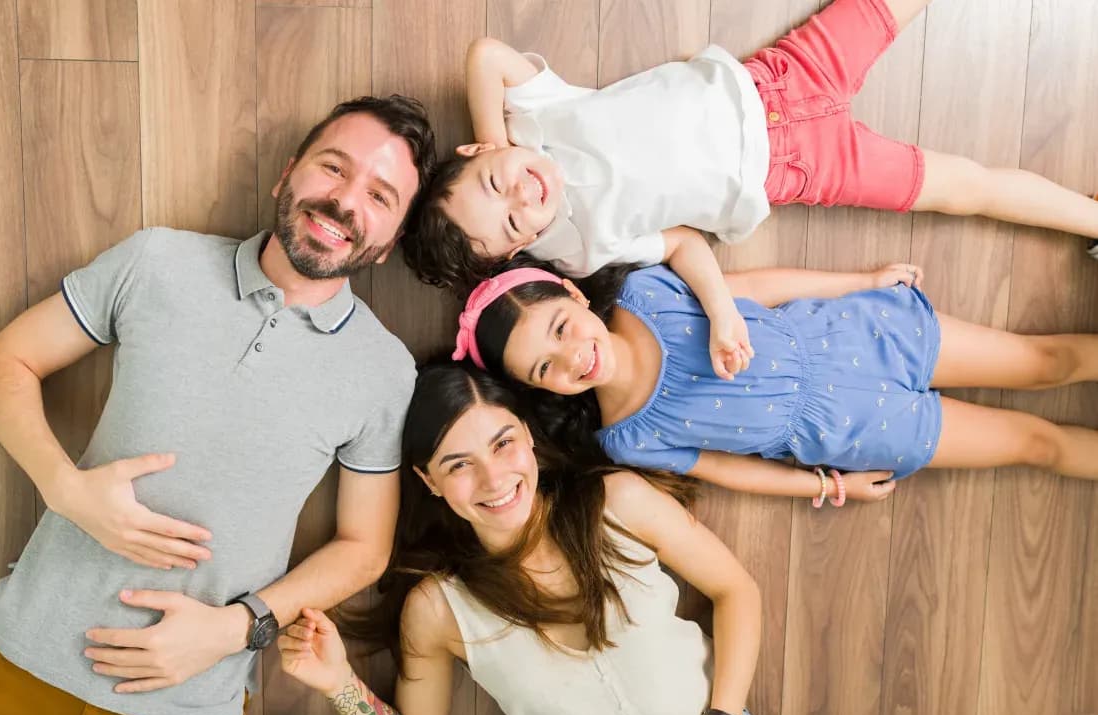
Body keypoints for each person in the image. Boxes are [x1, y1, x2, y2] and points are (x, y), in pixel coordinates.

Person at [0, 95, 435, 715]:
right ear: (288, 174)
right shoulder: (159, 261)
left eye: (380, 195)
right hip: (18, 660)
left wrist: (238, 629)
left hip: (178, 709)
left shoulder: (384, 371)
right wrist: (64, 488)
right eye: (334, 167)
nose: (345, 199)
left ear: (388, 241)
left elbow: (365, 548)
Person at [278, 362, 837, 715]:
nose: (494, 478)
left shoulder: (615, 501)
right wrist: (339, 685)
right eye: (458, 464)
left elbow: (736, 590)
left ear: (527, 435)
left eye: (503, 443)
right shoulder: (437, 609)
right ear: (428, 481)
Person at [401, 0, 1098, 299]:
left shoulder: (531, 120)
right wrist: (724, 310)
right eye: (516, 224)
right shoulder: (577, 252)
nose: (528, 196)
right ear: (519, 252)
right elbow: (677, 243)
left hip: (777, 80)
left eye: (497, 181)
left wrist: (497, 137)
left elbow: (486, 53)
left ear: (478, 148)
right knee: (963, 188)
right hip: (795, 169)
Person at [449, 261, 1098, 503]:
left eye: (561, 328)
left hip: (857, 334)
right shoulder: (627, 438)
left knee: (1046, 362)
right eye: (545, 369)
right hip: (853, 431)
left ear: (573, 293)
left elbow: (761, 287)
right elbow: (727, 469)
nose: (572, 360)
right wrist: (821, 483)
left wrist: (861, 281)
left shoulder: (645, 293)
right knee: (1033, 443)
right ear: (540, 390)